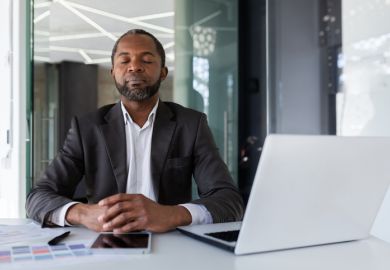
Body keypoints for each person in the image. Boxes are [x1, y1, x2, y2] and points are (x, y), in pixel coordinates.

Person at [26, 29, 244, 233]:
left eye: (147, 60)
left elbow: (229, 201)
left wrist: (172, 214)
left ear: (163, 72)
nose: (135, 67)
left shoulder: (191, 124)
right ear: (113, 72)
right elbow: (38, 197)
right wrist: (83, 213)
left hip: (171, 241)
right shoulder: (87, 128)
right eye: (124, 60)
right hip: (106, 240)